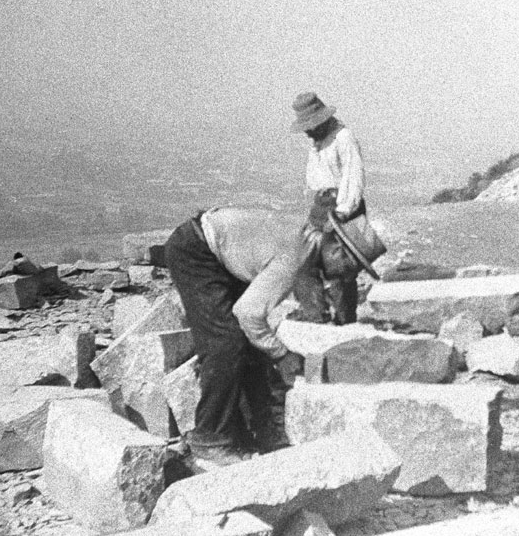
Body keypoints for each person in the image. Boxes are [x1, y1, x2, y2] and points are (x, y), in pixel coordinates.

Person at [157, 204, 386, 465]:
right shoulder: (295, 258)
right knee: (225, 343)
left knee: (252, 348)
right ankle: (209, 439)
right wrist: (281, 354)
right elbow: (248, 313)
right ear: (336, 250)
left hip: (219, 252)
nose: (346, 277)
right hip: (196, 251)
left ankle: (259, 435)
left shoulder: (307, 243)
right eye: (350, 269)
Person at [291, 91, 367, 324]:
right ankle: (317, 316)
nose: (308, 131)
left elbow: (354, 177)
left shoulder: (343, 138)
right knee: (302, 264)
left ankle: (346, 322)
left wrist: (342, 213)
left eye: (311, 126)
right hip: (321, 205)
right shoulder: (318, 142)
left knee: (340, 272)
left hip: (342, 206)